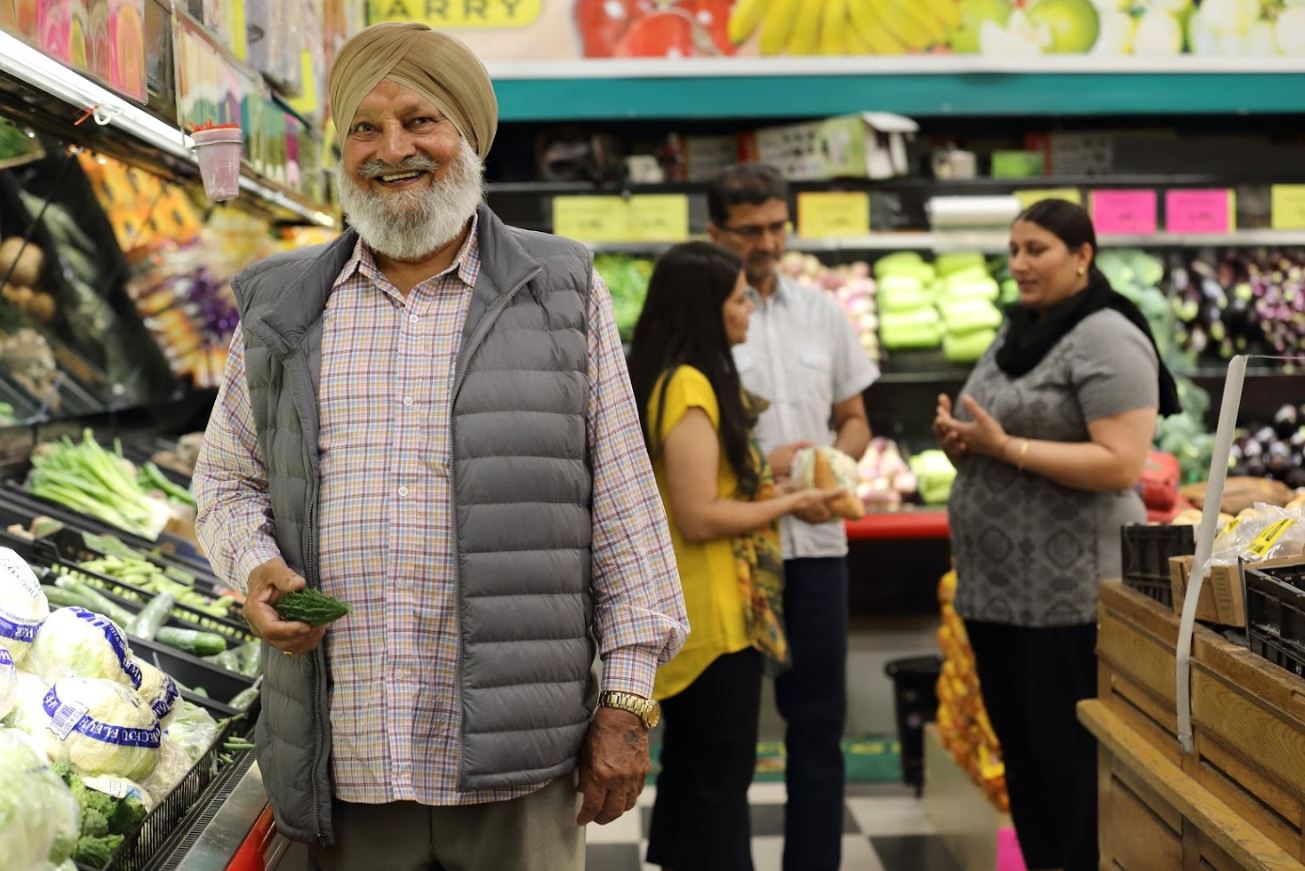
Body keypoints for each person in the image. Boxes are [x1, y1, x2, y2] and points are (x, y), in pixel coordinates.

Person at [192, 22, 689, 871]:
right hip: (341, 756)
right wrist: (252, 566)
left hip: (514, 762)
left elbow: (625, 509)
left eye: (421, 121)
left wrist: (626, 704)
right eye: (364, 128)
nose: (393, 150)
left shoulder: (559, 288)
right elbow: (227, 481)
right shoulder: (280, 306)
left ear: (467, 134)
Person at [934, 198, 1179, 871]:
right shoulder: (1014, 332)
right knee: (1026, 764)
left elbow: (1121, 463)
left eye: (1035, 249)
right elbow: (998, 435)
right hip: (995, 594)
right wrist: (964, 444)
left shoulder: (1106, 335)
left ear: (1081, 255)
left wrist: (1004, 445)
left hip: (1067, 600)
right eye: (1012, 249)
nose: (1018, 264)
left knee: (1066, 768)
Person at [626, 242, 842, 871]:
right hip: (714, 619)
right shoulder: (690, 384)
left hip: (701, 614)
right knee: (717, 783)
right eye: (738, 296)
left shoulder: (672, 378)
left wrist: (768, 468)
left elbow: (705, 480)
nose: (749, 307)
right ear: (706, 307)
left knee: (695, 781)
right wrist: (790, 504)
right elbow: (699, 515)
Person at [707, 163, 878, 871]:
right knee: (728, 737)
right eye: (750, 231)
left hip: (815, 547)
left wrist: (832, 462)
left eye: (776, 227)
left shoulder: (822, 312)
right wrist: (756, 464)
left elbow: (855, 417)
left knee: (817, 728)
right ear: (714, 232)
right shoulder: (702, 317)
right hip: (734, 551)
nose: (767, 242)